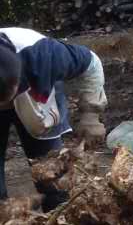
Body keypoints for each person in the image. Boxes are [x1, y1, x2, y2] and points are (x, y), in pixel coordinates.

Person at [0, 28, 107, 208]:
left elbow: (92, 64)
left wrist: (91, 114)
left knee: (50, 173)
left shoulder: (44, 54)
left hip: (38, 97)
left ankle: (58, 221)